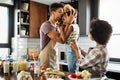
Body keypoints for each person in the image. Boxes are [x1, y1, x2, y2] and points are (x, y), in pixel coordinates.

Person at [39, 3, 75, 68]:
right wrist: (68, 23)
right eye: (60, 12)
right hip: (46, 59)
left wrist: (68, 23)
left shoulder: (58, 27)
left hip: (54, 58)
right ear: (53, 13)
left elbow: (64, 37)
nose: (62, 14)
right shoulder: (46, 25)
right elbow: (62, 40)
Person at [62, 4, 80, 72]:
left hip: (71, 49)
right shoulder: (76, 26)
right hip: (72, 48)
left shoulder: (71, 27)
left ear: (70, 17)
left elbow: (64, 39)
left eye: (65, 17)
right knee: (75, 70)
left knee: (72, 71)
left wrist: (60, 28)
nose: (64, 19)